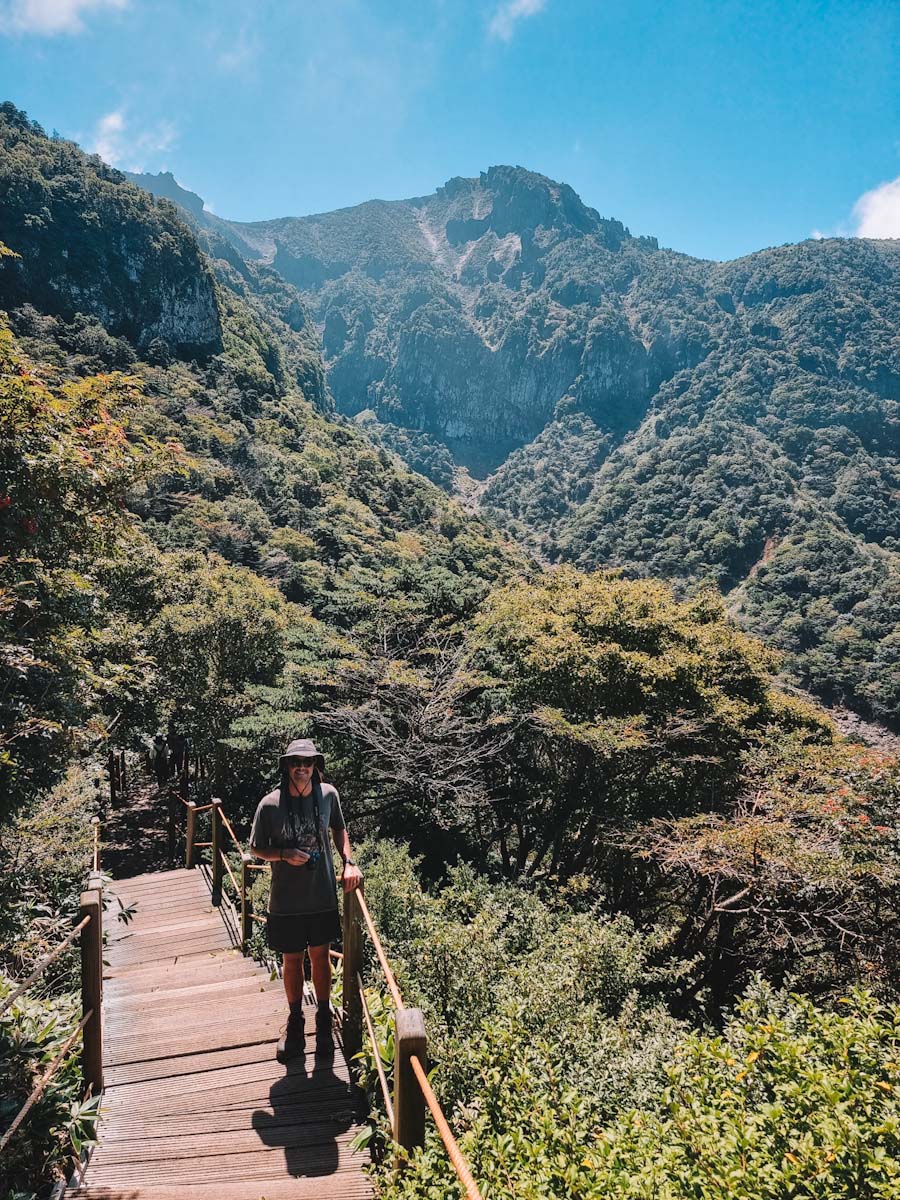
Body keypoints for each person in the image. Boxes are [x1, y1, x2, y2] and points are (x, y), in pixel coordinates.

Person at [249, 738, 362, 1063]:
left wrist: (348, 861)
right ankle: (295, 1021)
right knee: (292, 961)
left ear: (316, 766)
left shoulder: (328, 795)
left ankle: (324, 1020)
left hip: (322, 893)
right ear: (286, 766)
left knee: (321, 957)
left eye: (308, 762)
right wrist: (284, 854)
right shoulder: (270, 804)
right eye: (296, 762)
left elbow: (340, 828)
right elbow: (257, 847)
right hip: (285, 900)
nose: (302, 768)